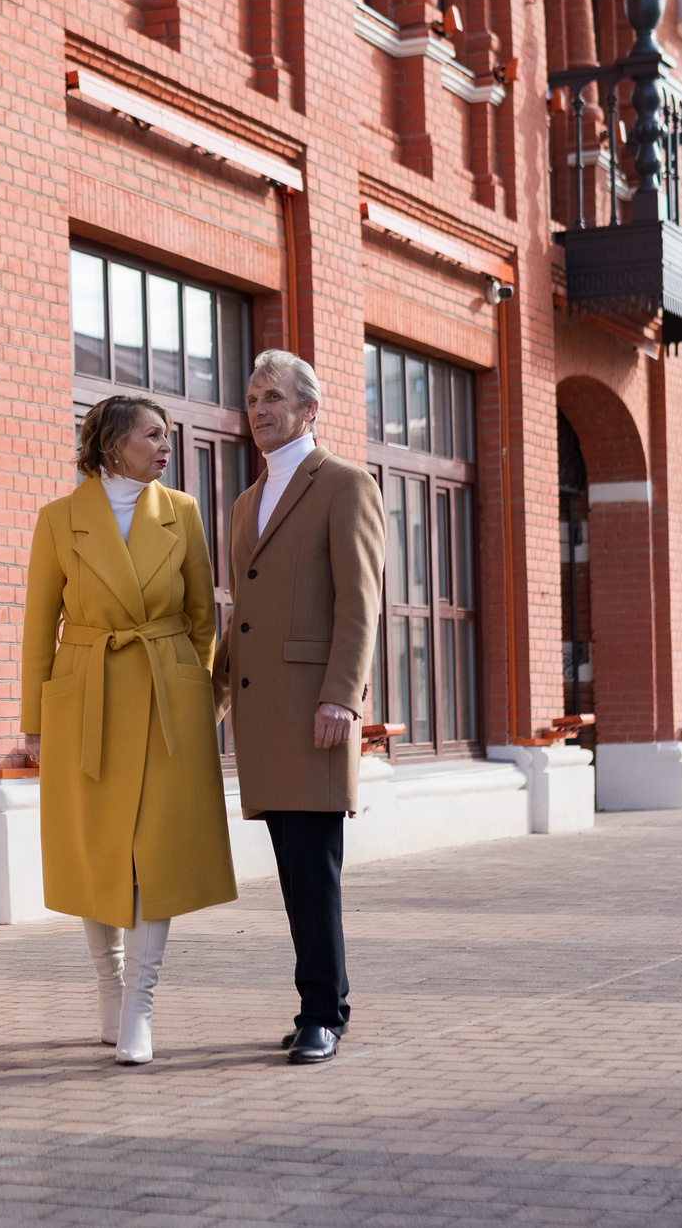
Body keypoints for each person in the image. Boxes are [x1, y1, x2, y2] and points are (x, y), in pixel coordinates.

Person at [20, 395, 237, 1065]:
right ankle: (110, 987)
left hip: (166, 699)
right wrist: (34, 722)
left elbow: (203, 619)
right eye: (153, 436)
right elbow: (38, 629)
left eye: (167, 436)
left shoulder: (182, 512)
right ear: (113, 444)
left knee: (155, 855)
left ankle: (141, 1004)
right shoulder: (59, 520)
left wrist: (196, 696)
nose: (166, 447)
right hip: (87, 699)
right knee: (98, 849)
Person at [217, 349, 382, 1065]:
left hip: (315, 712)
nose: (259, 409)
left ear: (310, 409)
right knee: (294, 871)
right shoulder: (246, 502)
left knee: (314, 870)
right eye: (253, 398)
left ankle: (321, 1013)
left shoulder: (345, 484)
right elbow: (243, 616)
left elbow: (359, 602)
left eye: (274, 397)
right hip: (265, 715)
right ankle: (326, 1002)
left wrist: (342, 696)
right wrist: (212, 699)